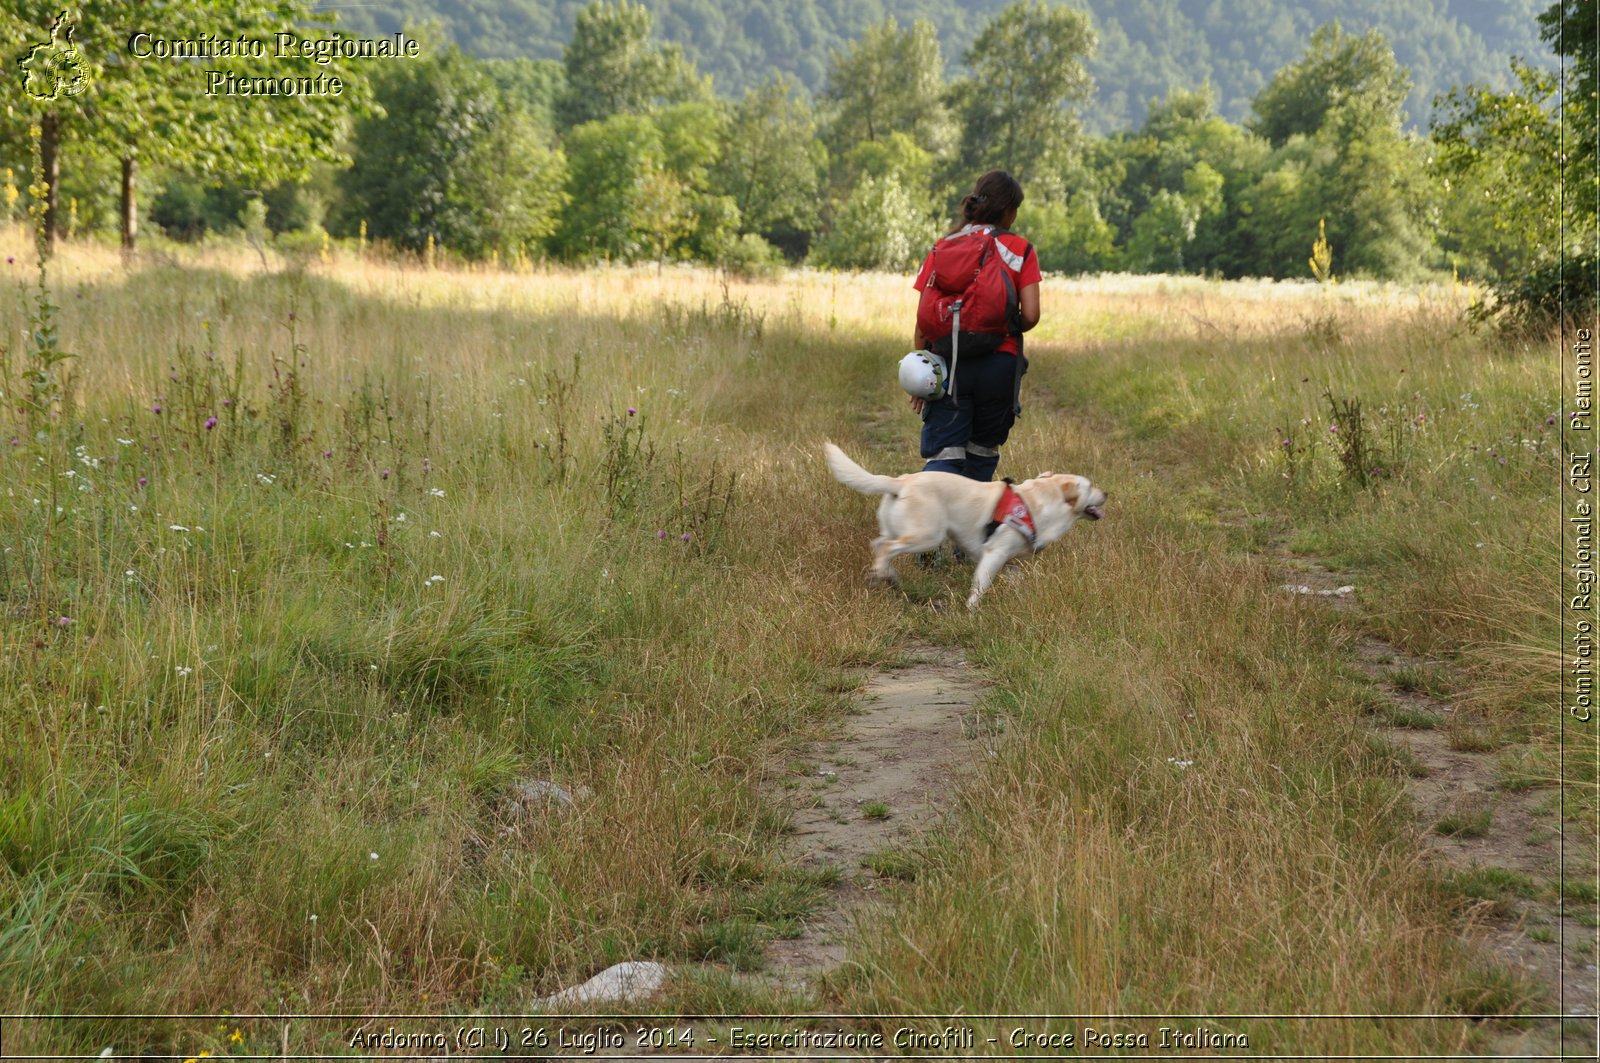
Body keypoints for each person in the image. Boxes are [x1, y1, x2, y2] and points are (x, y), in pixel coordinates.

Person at [910, 169, 1041, 483]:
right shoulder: (1020, 249)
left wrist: (925, 368)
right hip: (999, 363)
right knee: (980, 453)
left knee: (944, 456)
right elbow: (1032, 314)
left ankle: (932, 522)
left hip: (950, 362)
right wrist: (1005, 325)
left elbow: (922, 321)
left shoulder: (944, 245)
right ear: (1008, 209)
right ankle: (972, 528)